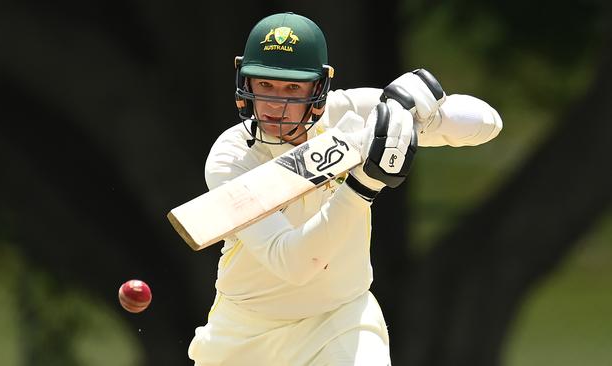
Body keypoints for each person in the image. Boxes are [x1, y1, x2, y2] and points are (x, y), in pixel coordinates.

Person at [187, 12, 502, 366]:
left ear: (319, 88)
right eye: (266, 85)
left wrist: (418, 108)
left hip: (340, 321)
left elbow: (488, 124)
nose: (276, 104)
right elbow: (293, 262)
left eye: (293, 88)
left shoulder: (349, 112)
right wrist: (362, 186)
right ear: (246, 84)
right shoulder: (231, 159)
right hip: (245, 336)